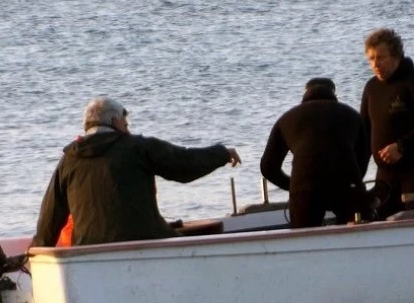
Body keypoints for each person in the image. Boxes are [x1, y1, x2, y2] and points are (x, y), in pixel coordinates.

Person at [30, 97, 241, 248]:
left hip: (88, 249)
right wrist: (221, 153)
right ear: (114, 122)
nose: (128, 127)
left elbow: (51, 215)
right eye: (125, 122)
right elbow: (184, 165)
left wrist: (37, 251)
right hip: (145, 242)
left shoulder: (69, 160)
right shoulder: (138, 147)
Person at [260, 77, 371, 228]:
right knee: (358, 237)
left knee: (304, 242)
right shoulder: (351, 115)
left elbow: (267, 167)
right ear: (334, 93)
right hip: (346, 185)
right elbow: (364, 156)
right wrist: (355, 180)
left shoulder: (287, 118)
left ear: (305, 93)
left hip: (305, 188)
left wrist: (292, 185)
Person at [359, 27, 414, 218]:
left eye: (381, 58)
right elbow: (364, 130)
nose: (375, 64)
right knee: (379, 220)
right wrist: (356, 174)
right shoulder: (372, 87)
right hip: (385, 172)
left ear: (396, 56)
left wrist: (402, 147)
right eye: (371, 59)